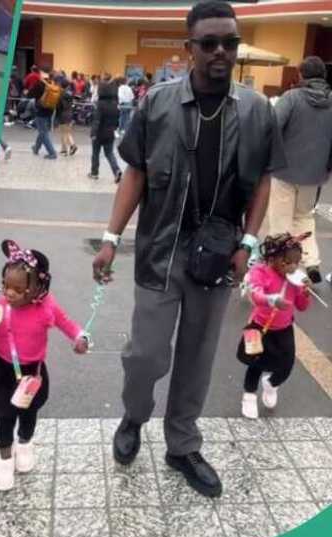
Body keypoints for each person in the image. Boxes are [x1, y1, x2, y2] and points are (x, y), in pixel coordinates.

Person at [93, 1, 286, 498]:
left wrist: (248, 241)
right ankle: (134, 416)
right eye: (209, 43)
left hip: (219, 254)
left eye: (230, 42)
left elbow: (263, 180)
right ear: (190, 48)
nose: (221, 51)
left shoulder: (257, 111)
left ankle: (182, 444)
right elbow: (135, 173)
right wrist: (111, 239)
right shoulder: (157, 104)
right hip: (161, 250)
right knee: (145, 354)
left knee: (198, 356)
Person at [0, 240, 88, 492]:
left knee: (29, 412)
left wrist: (80, 337)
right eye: (5, 285)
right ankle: (5, 461)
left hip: (33, 373)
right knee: (4, 417)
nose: (9, 293)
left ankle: (25, 443)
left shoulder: (47, 307)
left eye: (18, 288)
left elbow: (67, 323)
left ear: (38, 288)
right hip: (2, 371)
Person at [264, 56, 332, 284]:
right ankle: (312, 262)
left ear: (301, 74)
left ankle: (279, 265)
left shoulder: (292, 97)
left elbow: (272, 126)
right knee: (304, 216)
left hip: (284, 170)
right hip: (315, 174)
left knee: (280, 220)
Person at [237, 233, 312, 419]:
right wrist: (271, 300)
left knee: (287, 365)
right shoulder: (260, 272)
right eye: (287, 262)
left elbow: (302, 307)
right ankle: (249, 396)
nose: (292, 267)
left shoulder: (295, 279)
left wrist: (305, 292)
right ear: (272, 258)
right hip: (259, 326)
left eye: (297, 262)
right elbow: (255, 294)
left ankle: (271, 383)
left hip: (284, 328)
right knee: (255, 364)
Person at [89, 81, 123, 182]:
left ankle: (94, 173)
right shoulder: (115, 104)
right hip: (110, 132)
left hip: (99, 133)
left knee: (95, 153)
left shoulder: (100, 104)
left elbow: (97, 120)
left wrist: (93, 133)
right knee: (109, 153)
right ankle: (116, 170)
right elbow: (117, 120)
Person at [27, 69, 59, 159]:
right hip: (50, 111)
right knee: (43, 131)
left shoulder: (40, 84)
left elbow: (29, 94)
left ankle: (52, 153)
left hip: (40, 111)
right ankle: (36, 148)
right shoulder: (54, 84)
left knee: (43, 132)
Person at [56, 72, 78, 156]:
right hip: (69, 113)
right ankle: (70, 147)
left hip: (63, 114)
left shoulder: (61, 94)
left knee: (64, 133)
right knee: (67, 132)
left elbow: (59, 105)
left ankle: (66, 150)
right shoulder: (70, 93)